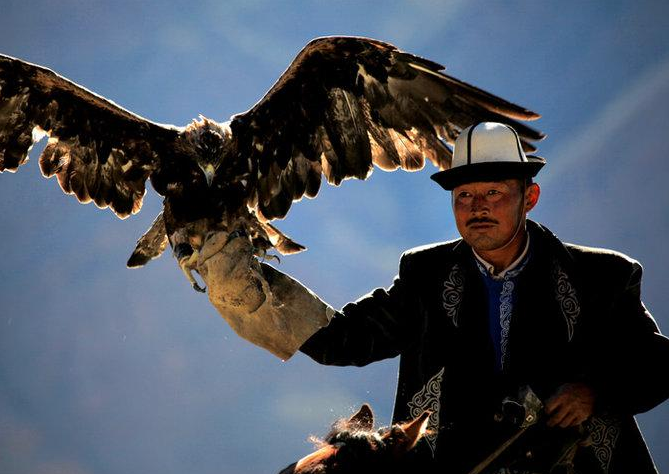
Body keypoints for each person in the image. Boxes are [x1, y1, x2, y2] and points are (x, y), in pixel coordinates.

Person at [198, 122, 669, 473]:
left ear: (530, 198)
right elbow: (343, 338)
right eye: (464, 196)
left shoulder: (602, 276)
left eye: (494, 193)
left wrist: (594, 392)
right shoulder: (425, 274)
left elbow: (657, 367)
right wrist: (238, 278)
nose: (478, 207)